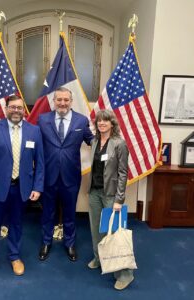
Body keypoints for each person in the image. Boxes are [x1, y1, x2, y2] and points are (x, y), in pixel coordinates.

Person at [0, 95, 44, 279]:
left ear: (24, 110)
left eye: (20, 108)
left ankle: (14, 256)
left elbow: (40, 163)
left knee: (16, 223)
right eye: (12, 107)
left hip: (21, 188)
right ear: (6, 108)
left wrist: (37, 187)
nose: (16, 111)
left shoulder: (34, 131)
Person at [37, 86, 94, 262]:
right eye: (59, 99)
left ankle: (70, 243)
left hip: (71, 176)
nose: (62, 103)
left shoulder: (81, 121)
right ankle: (46, 242)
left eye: (66, 100)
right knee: (48, 212)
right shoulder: (42, 119)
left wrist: (111, 141)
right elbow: (34, 141)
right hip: (48, 175)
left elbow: (92, 140)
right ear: (54, 101)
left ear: (71, 101)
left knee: (70, 212)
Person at [87, 109, 134, 290]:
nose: (102, 123)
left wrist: (119, 199)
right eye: (99, 121)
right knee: (95, 229)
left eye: (105, 121)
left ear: (112, 124)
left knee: (115, 233)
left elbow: (123, 173)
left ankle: (125, 274)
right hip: (94, 192)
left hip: (111, 195)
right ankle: (100, 258)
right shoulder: (94, 141)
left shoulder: (119, 144)